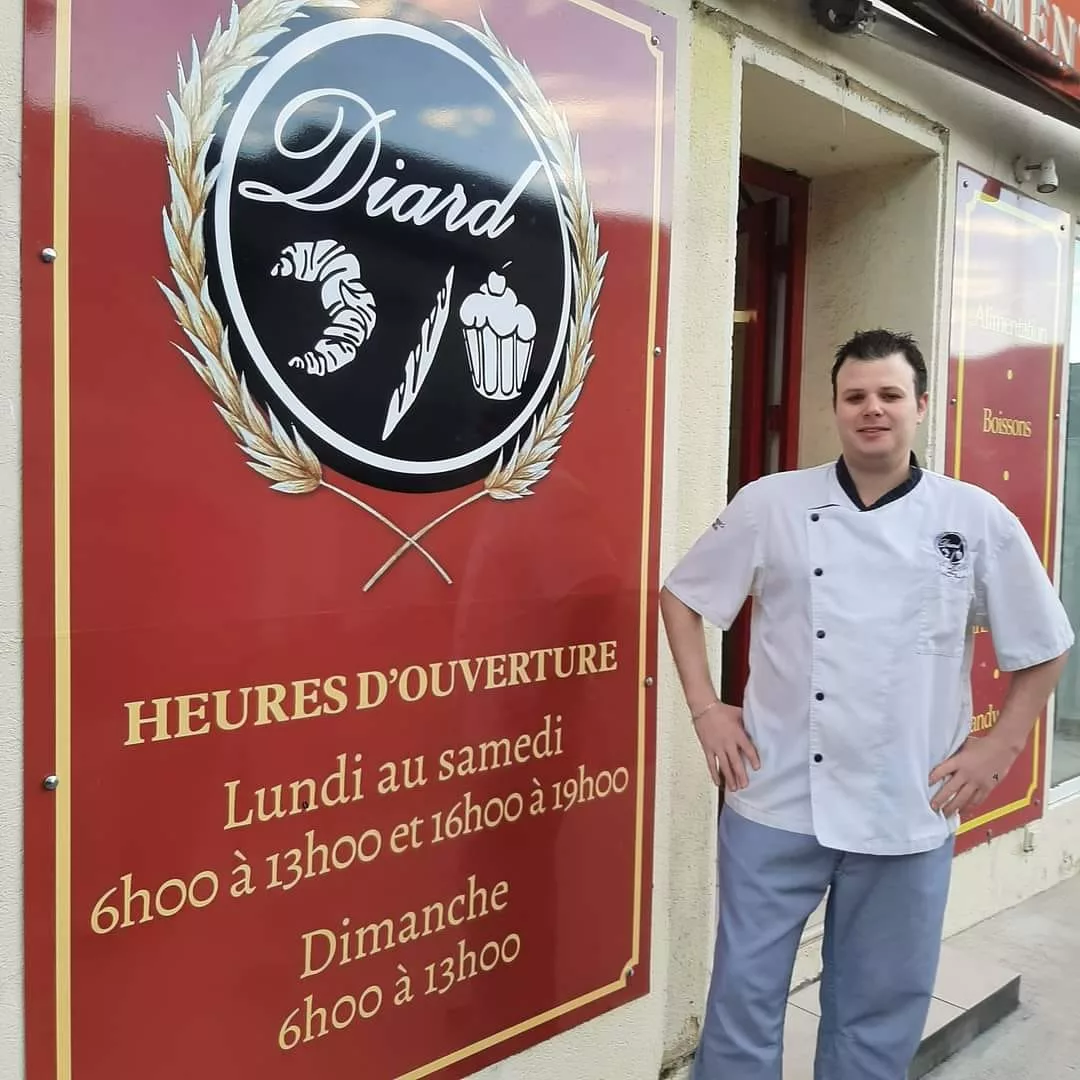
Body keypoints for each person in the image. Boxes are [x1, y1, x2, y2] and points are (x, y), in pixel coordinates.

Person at [661, 329, 1074, 1080]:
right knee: (743, 995)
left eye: (889, 395)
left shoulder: (974, 518)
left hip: (907, 802)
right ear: (836, 409)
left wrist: (1001, 747)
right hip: (776, 797)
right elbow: (684, 597)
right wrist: (705, 707)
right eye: (856, 397)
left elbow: (1044, 644)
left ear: (920, 407)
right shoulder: (771, 503)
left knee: (878, 1007)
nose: (872, 410)